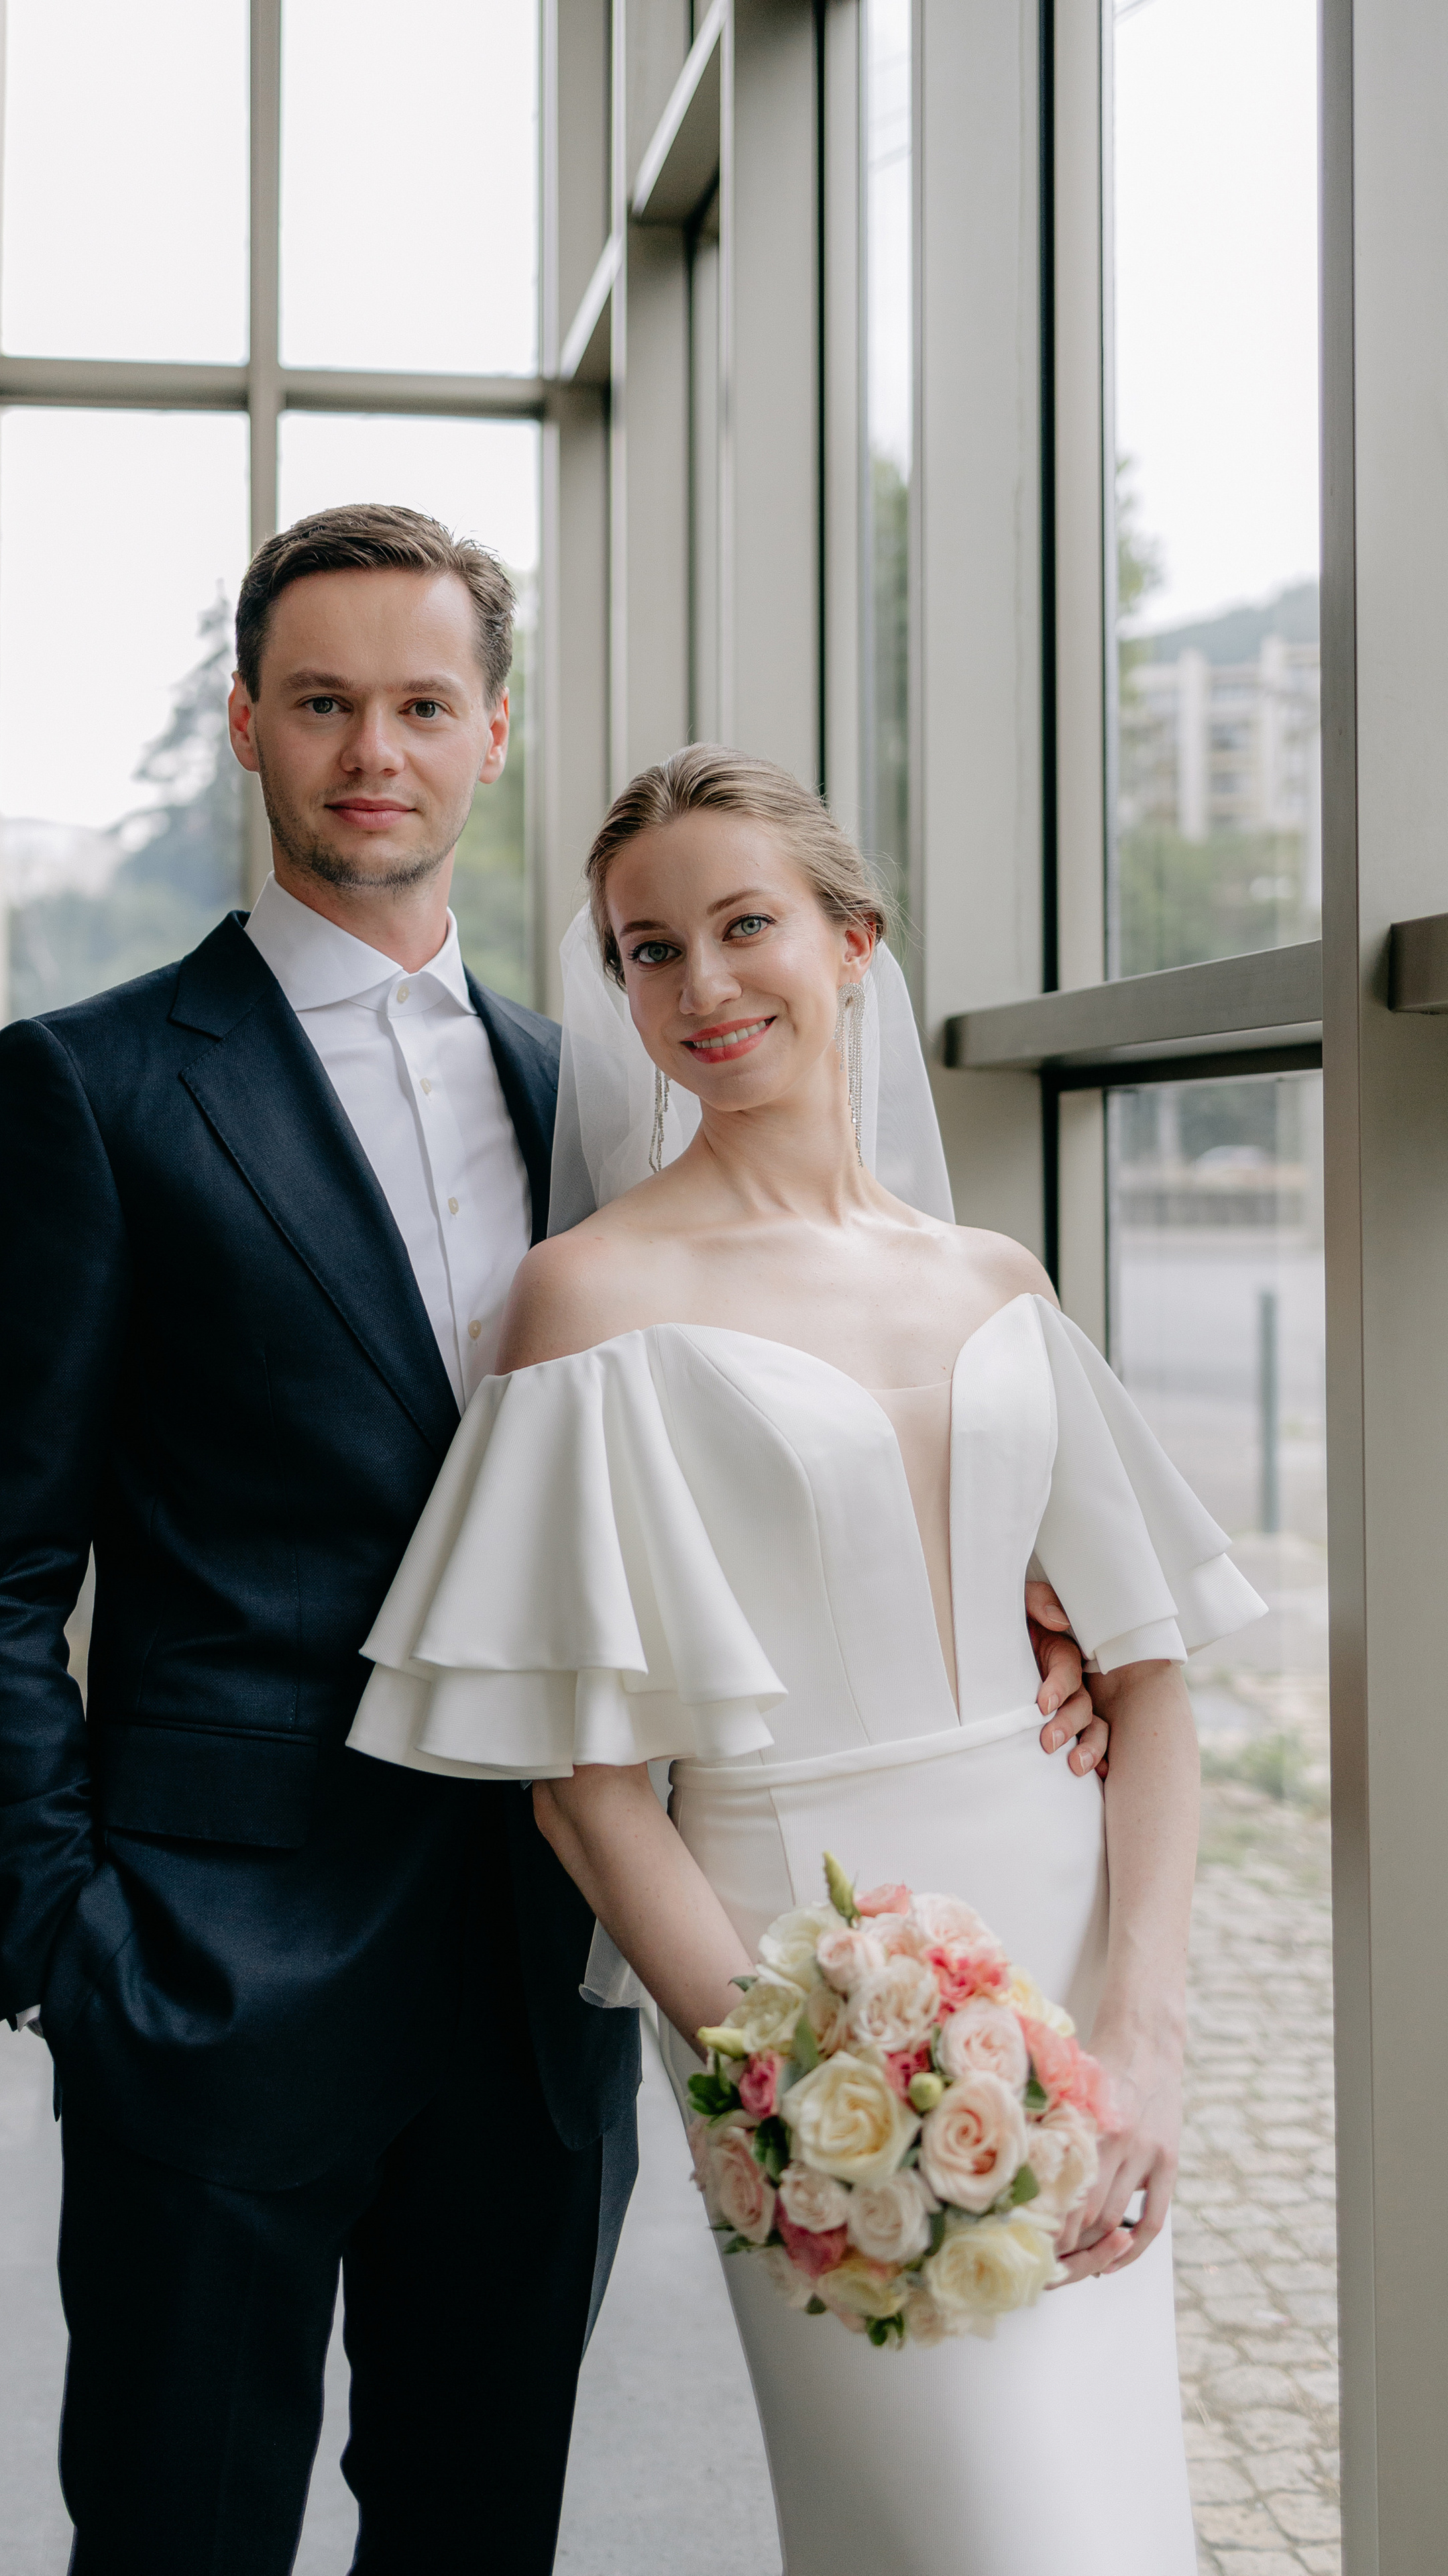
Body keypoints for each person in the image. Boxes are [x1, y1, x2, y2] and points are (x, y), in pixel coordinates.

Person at [0, 511, 1102, 2573]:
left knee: (477, 2532)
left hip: (543, 1971)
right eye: (324, 703)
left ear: (491, 735)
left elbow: (739, 1445)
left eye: (421, 705)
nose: (375, 746)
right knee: (177, 2531)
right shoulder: (85, 1090)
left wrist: (1006, 1595)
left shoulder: (605, 1095)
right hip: (208, 1963)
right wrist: (58, 1943)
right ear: (248, 731)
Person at [347, 743, 1266, 2575]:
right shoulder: (588, 1296)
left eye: (743, 925)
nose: (700, 988)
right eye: (645, 950)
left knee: (1103, 2522)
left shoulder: (994, 1277)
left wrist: (1148, 2039)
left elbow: (1149, 1673)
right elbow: (588, 1798)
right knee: (962, 2533)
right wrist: (784, 2098)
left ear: (855, 943)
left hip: (1065, 1938)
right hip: (798, 1970)